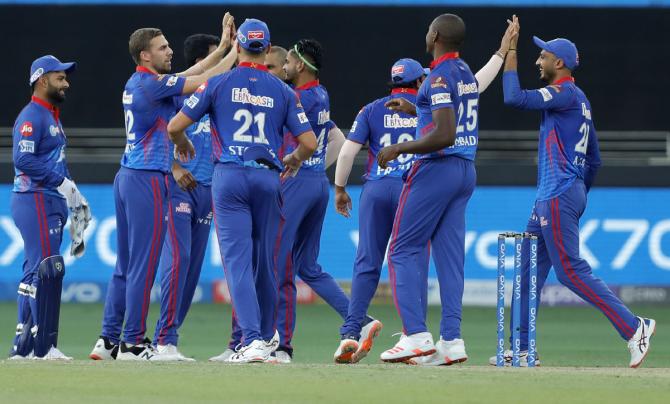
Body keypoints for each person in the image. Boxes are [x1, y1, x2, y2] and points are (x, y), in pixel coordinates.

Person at [493, 16, 655, 368]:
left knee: (569, 272)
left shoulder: (563, 93)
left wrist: (511, 49)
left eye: (543, 56)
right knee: (528, 271)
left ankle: (634, 327)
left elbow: (513, 97)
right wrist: (579, 192)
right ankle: (522, 349)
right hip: (559, 194)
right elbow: (594, 158)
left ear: (559, 63)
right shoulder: (581, 101)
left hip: (557, 194)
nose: (538, 61)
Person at [168, 18, 317, 363]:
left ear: (238, 48)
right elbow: (309, 142)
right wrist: (292, 159)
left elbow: (175, 126)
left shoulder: (219, 83)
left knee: (237, 262)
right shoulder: (284, 90)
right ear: (267, 50)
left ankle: (249, 340)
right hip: (268, 178)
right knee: (265, 262)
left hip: (230, 177)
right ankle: (266, 336)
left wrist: (182, 141)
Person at [90, 13, 238, 361]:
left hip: (127, 177)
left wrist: (225, 46)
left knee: (126, 265)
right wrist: (237, 52)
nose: (170, 51)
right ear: (145, 55)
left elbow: (192, 74)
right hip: (147, 180)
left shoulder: (139, 82)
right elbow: (206, 79)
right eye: (162, 47)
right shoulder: (152, 85)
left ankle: (109, 339)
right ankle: (133, 343)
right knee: (144, 263)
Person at [376, 13, 481, 364]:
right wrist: (415, 109)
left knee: (403, 249)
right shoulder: (464, 71)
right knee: (451, 260)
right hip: (465, 169)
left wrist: (397, 147)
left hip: (437, 169)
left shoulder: (437, 76)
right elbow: (444, 117)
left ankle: (416, 336)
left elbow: (444, 133)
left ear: (434, 35)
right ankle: (451, 341)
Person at [266, 38, 350, 363]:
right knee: (307, 266)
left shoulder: (296, 97)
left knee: (277, 263)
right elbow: (334, 138)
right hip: (318, 184)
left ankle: (280, 345)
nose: (284, 68)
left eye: (286, 62)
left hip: (296, 184)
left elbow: (304, 143)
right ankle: (359, 321)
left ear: (300, 65)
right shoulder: (321, 93)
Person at [9, 55, 90, 360]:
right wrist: (63, 184)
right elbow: (24, 160)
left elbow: (55, 161)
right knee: (44, 271)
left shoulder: (50, 114)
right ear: (42, 80)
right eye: (60, 78)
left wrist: (75, 197)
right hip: (35, 198)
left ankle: (24, 350)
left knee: (38, 270)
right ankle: (44, 347)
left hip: (48, 198)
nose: (66, 83)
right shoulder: (32, 116)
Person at [151, 33, 220, 361]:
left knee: (192, 269)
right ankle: (162, 340)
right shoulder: (176, 94)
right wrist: (174, 166)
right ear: (199, 63)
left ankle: (169, 339)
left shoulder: (219, 96)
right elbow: (153, 136)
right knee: (177, 260)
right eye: (215, 58)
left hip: (208, 191)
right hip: (179, 189)